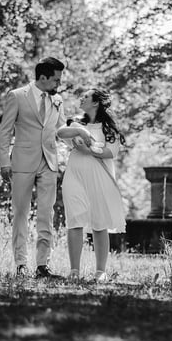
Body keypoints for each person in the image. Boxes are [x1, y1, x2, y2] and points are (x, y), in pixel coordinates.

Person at [0, 57, 68, 279]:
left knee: (46, 214)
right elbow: (5, 131)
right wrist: (4, 162)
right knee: (20, 213)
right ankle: (20, 264)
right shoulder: (17, 96)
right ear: (43, 77)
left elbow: (62, 129)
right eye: (56, 79)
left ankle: (42, 266)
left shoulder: (58, 100)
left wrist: (84, 139)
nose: (59, 84)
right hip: (22, 163)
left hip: (49, 163)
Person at [57, 88, 127, 283]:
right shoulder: (77, 123)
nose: (82, 98)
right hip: (75, 174)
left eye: (86, 96)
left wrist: (88, 150)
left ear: (96, 102)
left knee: (99, 223)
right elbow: (60, 132)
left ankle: (100, 271)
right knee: (75, 220)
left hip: (99, 177)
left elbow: (111, 152)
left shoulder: (108, 127)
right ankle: (74, 270)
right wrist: (80, 130)